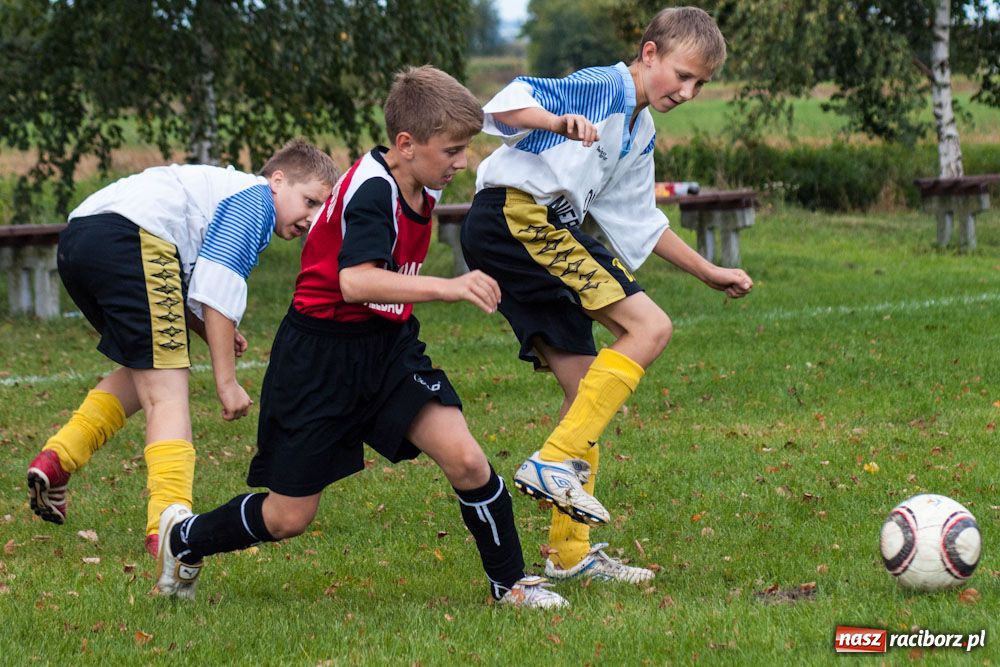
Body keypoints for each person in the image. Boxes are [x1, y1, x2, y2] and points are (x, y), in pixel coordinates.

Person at [153, 66, 568, 609]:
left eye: (465, 148)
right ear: (406, 144)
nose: (462, 161)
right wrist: (449, 285)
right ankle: (183, 540)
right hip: (320, 357)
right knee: (287, 517)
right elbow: (354, 281)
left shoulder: (418, 180)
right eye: (452, 150)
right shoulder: (372, 191)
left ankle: (510, 584)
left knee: (466, 459)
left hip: (388, 347)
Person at [460, 6, 754, 584]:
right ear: (649, 54)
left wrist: (707, 270)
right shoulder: (604, 87)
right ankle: (549, 464)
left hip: (528, 227)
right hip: (520, 217)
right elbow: (500, 105)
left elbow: (640, 221)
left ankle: (570, 554)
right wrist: (556, 120)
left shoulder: (638, 131)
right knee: (650, 328)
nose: (689, 92)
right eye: (682, 74)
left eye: (701, 84)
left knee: (585, 386)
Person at [26, 139, 338, 556]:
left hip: (81, 239)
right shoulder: (256, 201)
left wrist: (202, 328)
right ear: (277, 180)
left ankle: (58, 460)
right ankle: (168, 532)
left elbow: (195, 285)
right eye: (310, 201)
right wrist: (226, 382)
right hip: (133, 239)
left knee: (150, 370)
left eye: (323, 211)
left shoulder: (223, 191)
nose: (314, 219)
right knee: (169, 393)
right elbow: (217, 285)